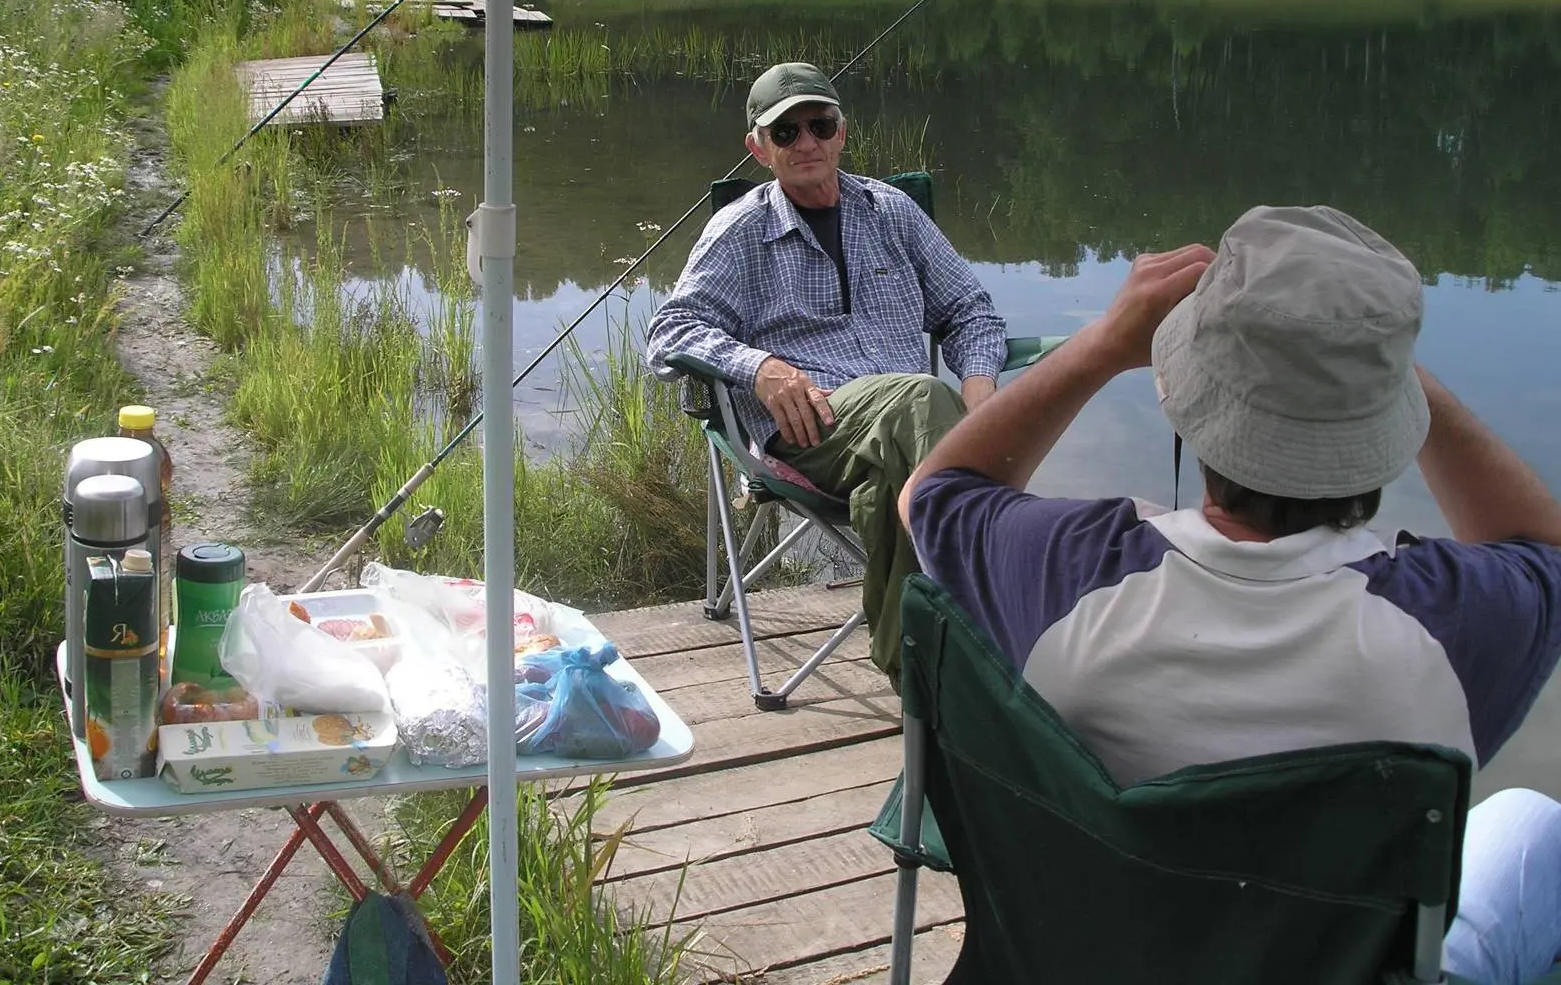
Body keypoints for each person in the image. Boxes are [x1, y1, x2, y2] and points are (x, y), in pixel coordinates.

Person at [898, 204, 1561, 985]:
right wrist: (1369, 361)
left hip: (1080, 955)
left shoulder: (1072, 574)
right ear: (1387, 425)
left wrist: (1105, 343)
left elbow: (933, 493)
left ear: (1180, 393)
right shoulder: (1452, 627)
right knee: (1533, 827)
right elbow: (1541, 545)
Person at [646, 61, 1006, 680]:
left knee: (894, 469)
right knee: (922, 402)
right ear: (757, 148)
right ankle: (990, 642)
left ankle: (916, 666)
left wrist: (978, 397)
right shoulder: (739, 231)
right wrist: (760, 369)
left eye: (820, 124)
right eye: (785, 133)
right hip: (812, 427)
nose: (806, 142)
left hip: (909, 434)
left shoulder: (891, 211)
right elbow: (668, 333)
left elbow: (970, 309)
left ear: (842, 132)